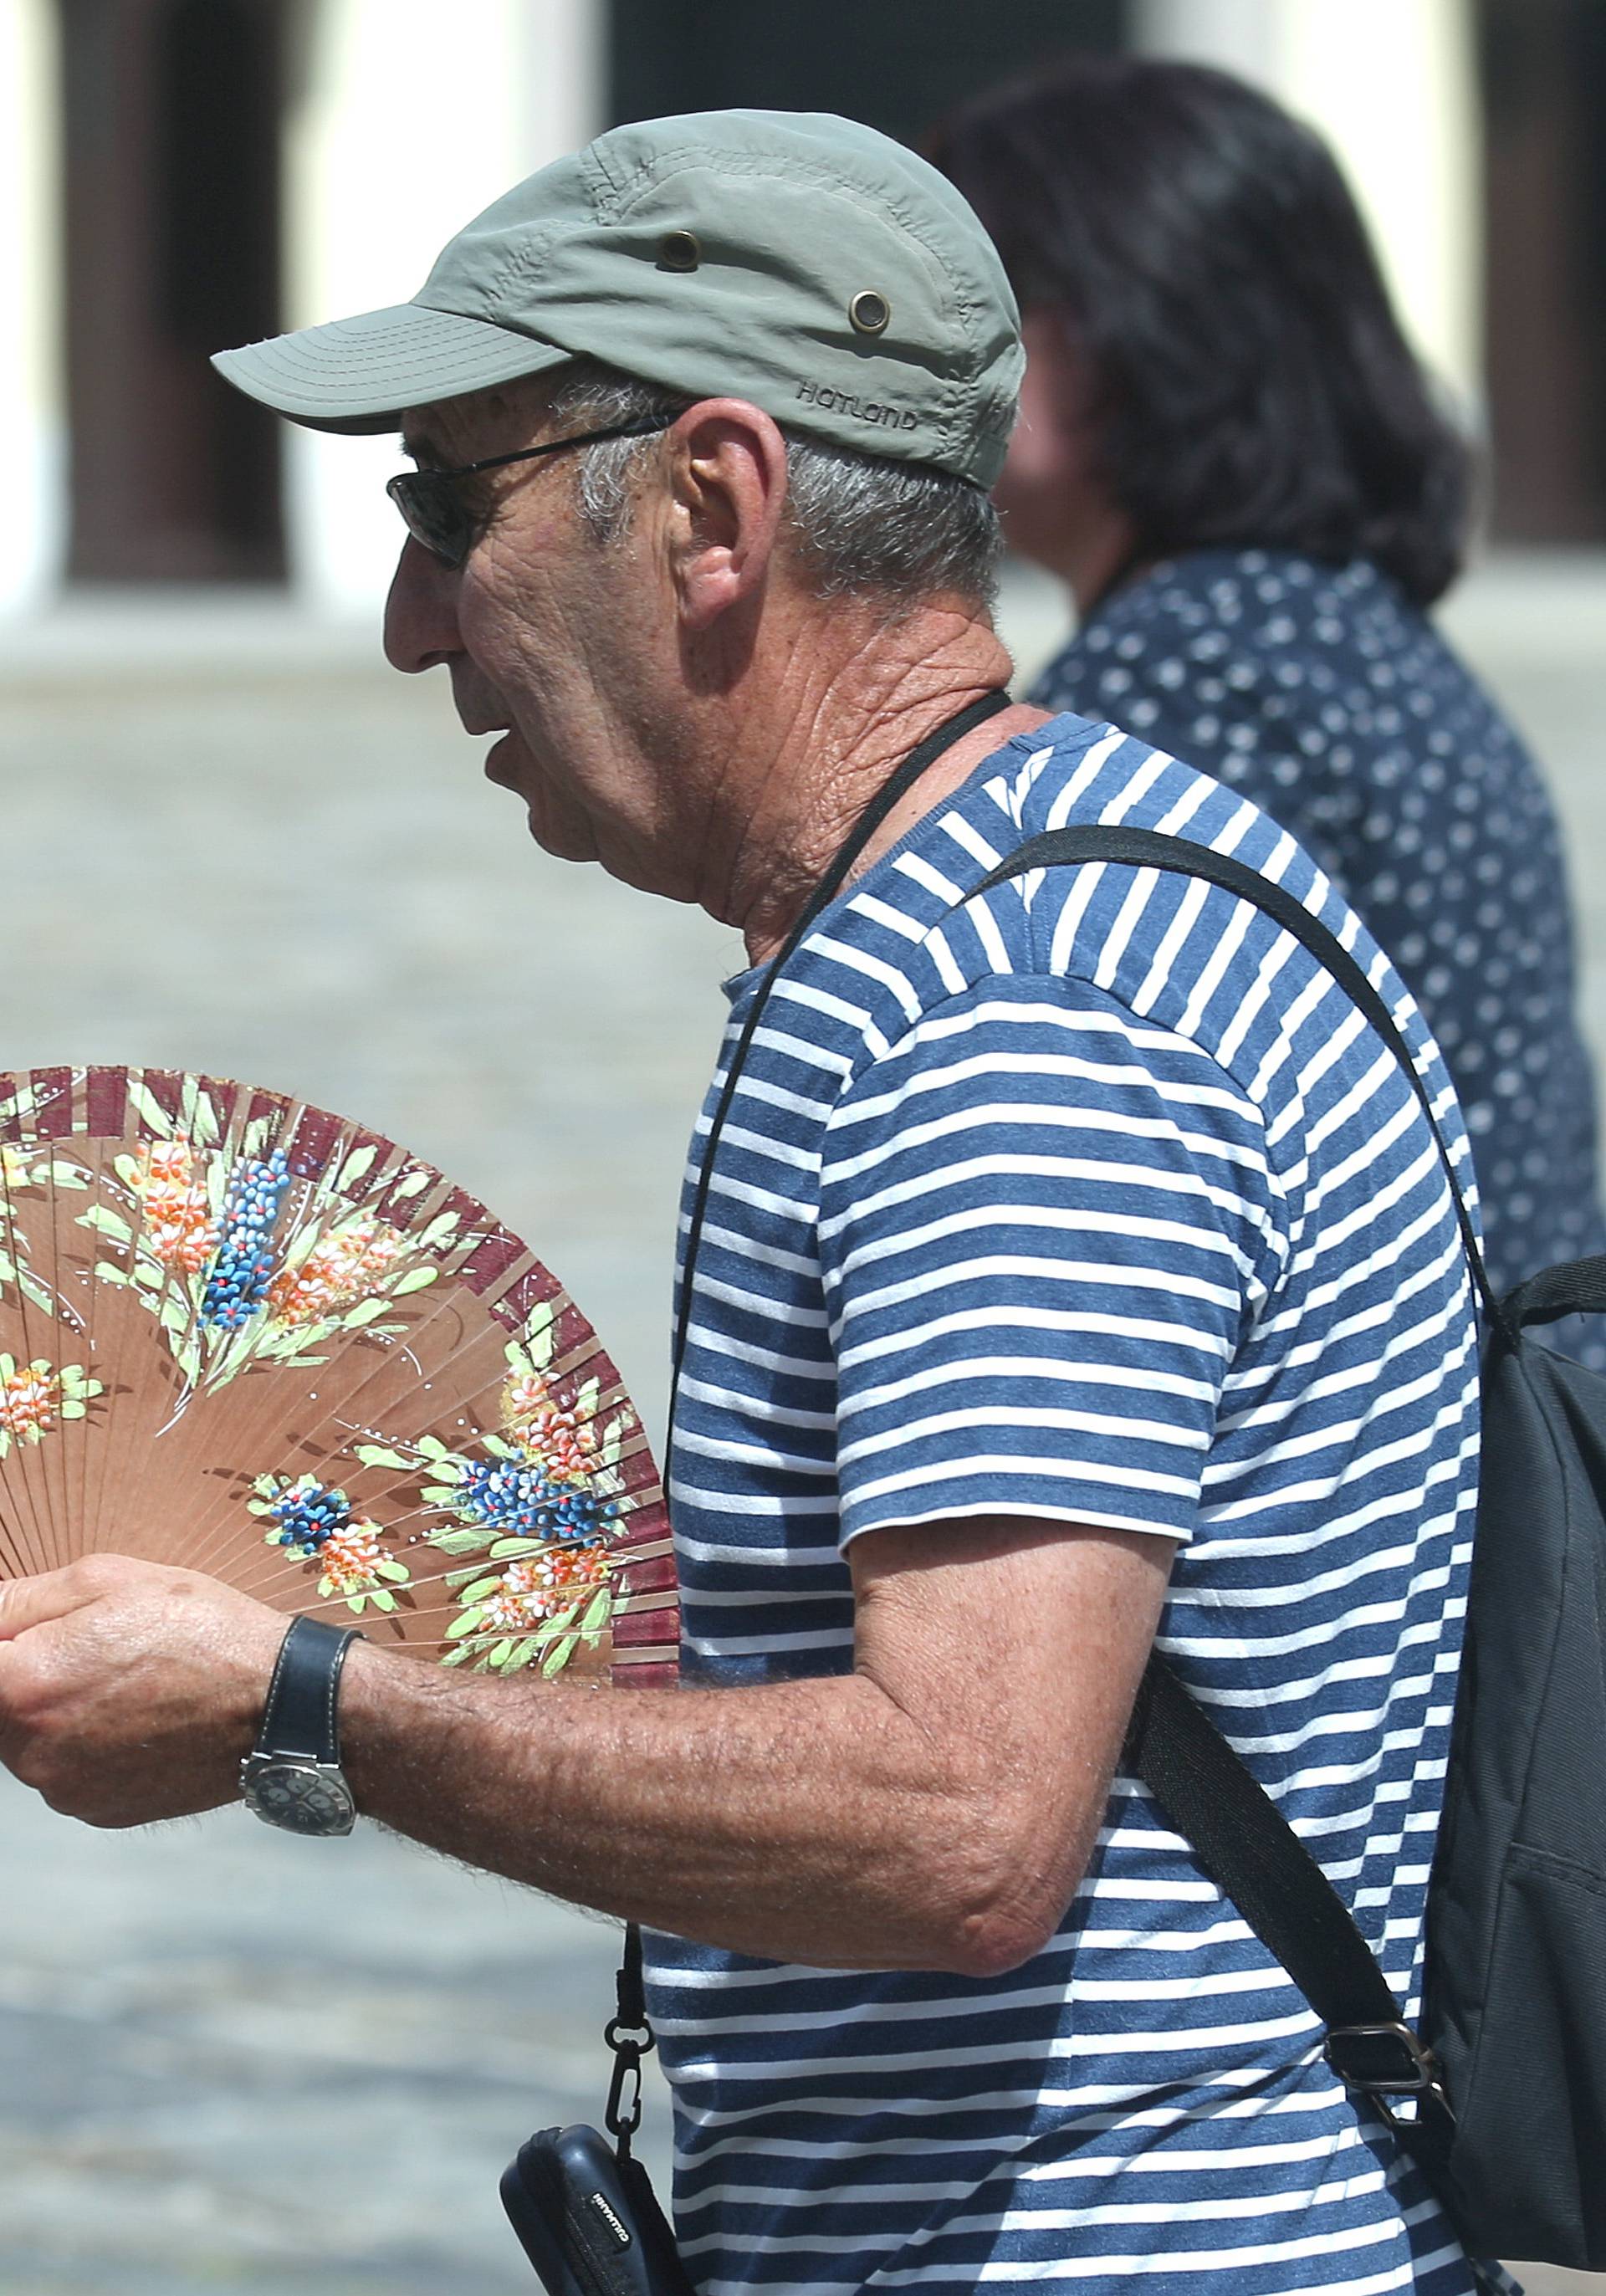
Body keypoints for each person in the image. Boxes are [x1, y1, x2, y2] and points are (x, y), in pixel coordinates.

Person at [0, 111, 1486, 2294]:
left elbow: (963, 1818)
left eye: (446, 509)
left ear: (712, 506)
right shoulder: (955, 920)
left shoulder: (1018, 998)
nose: (413, 620)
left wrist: (301, 1700)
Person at [930, 54, 1606, 1322]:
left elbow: (1102, 1165)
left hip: (1369, 1481)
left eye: (976, 305)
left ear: (1120, 322)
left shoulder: (1190, 674)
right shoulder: (1326, 629)